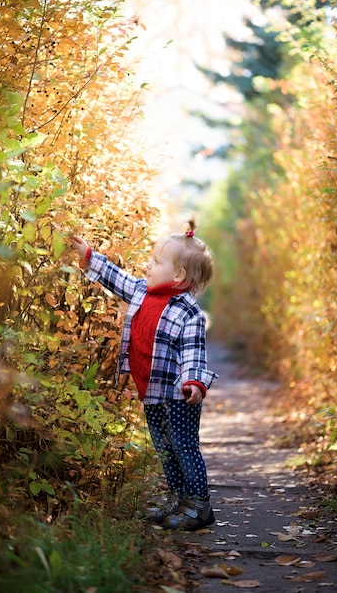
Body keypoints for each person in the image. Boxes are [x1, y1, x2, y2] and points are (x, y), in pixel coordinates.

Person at [70, 219, 218, 531]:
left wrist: (194, 383)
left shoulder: (188, 312)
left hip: (179, 395)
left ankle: (199, 504)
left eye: (155, 261)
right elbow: (117, 278)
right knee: (164, 446)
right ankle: (179, 498)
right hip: (152, 391)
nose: (147, 266)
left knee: (183, 445)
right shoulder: (141, 292)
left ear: (177, 275)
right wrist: (88, 256)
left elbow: (193, 354)